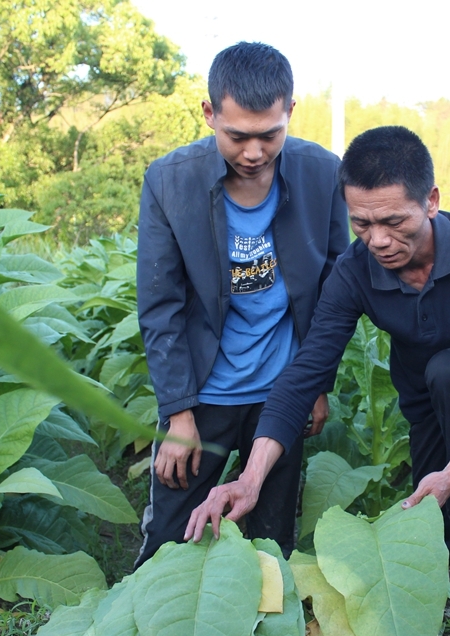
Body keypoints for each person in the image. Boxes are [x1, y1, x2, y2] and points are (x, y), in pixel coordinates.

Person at [185, 125, 450, 594]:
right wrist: (250, 479)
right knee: (429, 508)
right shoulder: (354, 271)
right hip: (420, 395)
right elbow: (306, 372)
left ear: (430, 201)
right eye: (361, 223)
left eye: (394, 222)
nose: (378, 240)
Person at [134, 42, 349, 566]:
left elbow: (332, 293)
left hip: (283, 389)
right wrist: (177, 414)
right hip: (205, 392)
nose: (254, 151)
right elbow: (160, 305)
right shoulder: (170, 181)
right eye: (237, 136)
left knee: (272, 542)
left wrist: (316, 386)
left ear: (290, 113)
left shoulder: (323, 174)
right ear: (209, 114)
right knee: (171, 538)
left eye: (270, 134)